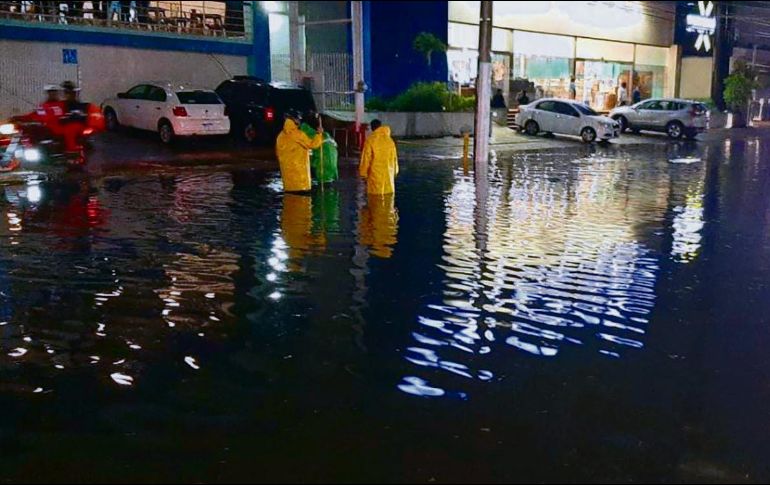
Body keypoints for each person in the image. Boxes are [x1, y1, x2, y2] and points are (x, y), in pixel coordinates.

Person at [276, 110, 323, 193]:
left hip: (288, 182)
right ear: (294, 120)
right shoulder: (297, 134)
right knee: (303, 204)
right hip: (300, 182)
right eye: (298, 119)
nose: (299, 121)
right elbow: (312, 145)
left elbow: (277, 153)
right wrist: (319, 134)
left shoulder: (280, 136)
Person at [360, 119, 398, 195]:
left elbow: (366, 159)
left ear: (372, 128)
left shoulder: (370, 140)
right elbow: (394, 159)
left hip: (375, 179)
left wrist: (363, 174)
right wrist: (395, 172)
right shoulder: (390, 141)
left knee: (375, 202)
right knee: (388, 201)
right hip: (389, 179)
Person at [300, 111, 339, 185]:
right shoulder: (326, 136)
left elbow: (311, 152)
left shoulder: (306, 135)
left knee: (324, 188)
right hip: (332, 168)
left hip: (323, 169)